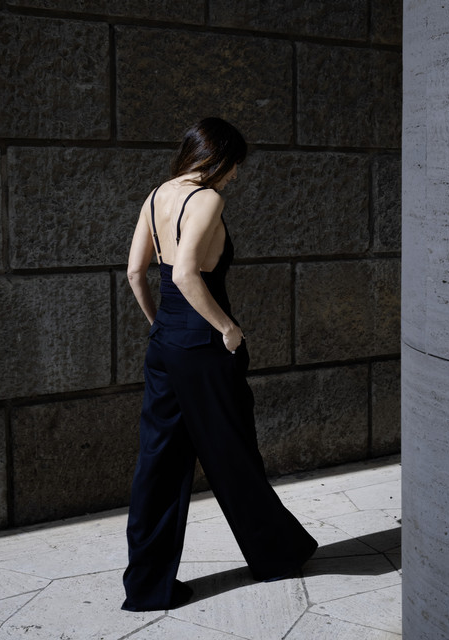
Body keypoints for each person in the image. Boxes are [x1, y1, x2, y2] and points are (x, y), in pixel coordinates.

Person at [121, 117, 318, 612]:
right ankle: (276, 554)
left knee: (158, 464)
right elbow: (185, 274)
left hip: (166, 344)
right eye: (234, 166)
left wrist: (160, 326)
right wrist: (227, 328)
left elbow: (135, 273)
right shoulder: (206, 199)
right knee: (233, 454)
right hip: (205, 345)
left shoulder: (155, 195)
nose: (234, 176)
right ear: (217, 158)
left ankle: (146, 587)